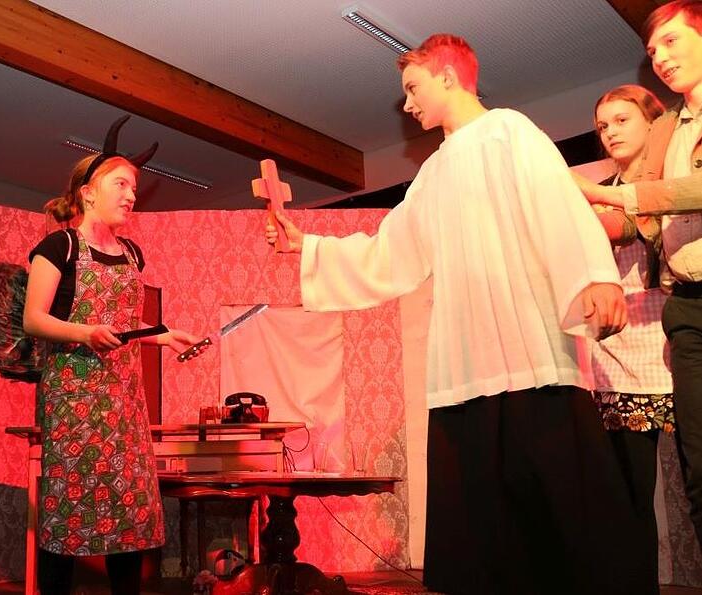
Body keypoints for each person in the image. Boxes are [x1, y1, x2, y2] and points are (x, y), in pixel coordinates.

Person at [267, 34, 654, 595]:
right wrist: (307, 246)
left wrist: (596, 275)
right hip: (466, 363)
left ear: (448, 76)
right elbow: (392, 249)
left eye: (413, 88)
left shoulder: (510, 131)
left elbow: (561, 204)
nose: (407, 104)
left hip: (530, 350)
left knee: (564, 506)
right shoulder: (433, 172)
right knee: (483, 520)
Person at [23, 117, 204, 595]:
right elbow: (33, 320)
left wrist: (162, 336)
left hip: (124, 403)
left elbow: (123, 326)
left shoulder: (132, 254)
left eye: (134, 188)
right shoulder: (59, 246)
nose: (130, 195)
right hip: (75, 403)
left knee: (128, 510)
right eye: (120, 184)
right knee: (68, 509)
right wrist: (84, 333)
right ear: (88, 193)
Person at [575, 0, 702, 551]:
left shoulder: (655, 163)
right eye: (653, 51)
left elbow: (652, 207)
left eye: (672, 41)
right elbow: (630, 224)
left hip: (660, 328)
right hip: (664, 321)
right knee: (669, 477)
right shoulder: (665, 138)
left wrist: (604, 199)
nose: (661, 58)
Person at [590, 83, 674, 586]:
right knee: (628, 489)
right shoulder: (599, 188)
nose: (610, 132)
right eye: (603, 125)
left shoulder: (676, 182)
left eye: (622, 120)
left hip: (679, 336)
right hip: (621, 350)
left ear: (653, 122)